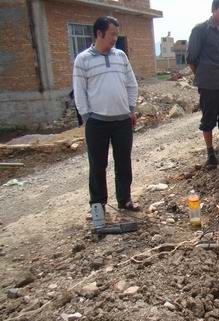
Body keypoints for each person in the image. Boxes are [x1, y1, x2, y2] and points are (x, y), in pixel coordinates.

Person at [73, 16, 140, 214]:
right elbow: (79, 91)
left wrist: (131, 109)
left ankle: (125, 200)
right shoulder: (83, 59)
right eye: (112, 34)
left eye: (117, 34)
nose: (115, 38)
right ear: (99, 33)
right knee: (97, 166)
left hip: (122, 121)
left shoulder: (121, 56)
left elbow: (131, 84)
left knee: (123, 163)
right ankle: (97, 207)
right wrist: (87, 118)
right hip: (97, 123)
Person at [186, 0, 219, 168]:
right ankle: (210, 154)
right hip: (208, 83)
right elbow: (191, 59)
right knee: (208, 119)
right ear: (214, 9)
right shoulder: (200, 30)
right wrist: (203, 76)